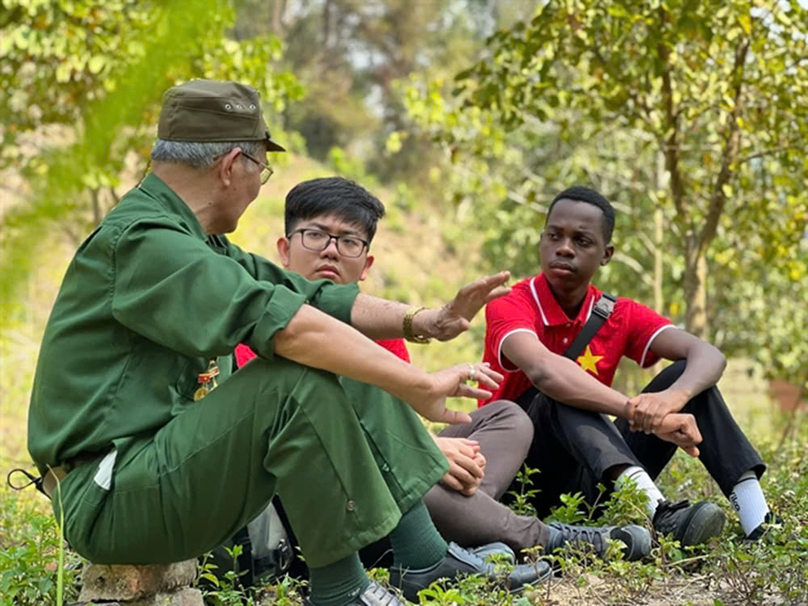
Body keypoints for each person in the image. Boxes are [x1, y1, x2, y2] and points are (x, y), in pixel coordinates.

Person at [26, 80, 548, 606]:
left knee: (329, 349)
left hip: (159, 471)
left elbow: (307, 298)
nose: (258, 185)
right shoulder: (145, 242)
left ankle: (423, 559)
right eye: (261, 168)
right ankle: (344, 591)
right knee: (297, 367)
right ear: (232, 165)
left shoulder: (191, 240)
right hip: (109, 497)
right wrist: (417, 384)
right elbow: (292, 327)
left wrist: (424, 320)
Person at [236, 176, 651, 563]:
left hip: (394, 474)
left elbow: (393, 425)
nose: (330, 250)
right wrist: (426, 452)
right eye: (315, 235)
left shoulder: (384, 332)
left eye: (349, 241)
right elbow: (291, 435)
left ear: (365, 265)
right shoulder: (261, 323)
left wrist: (425, 449)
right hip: (318, 494)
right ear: (285, 250)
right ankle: (542, 539)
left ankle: (462, 535)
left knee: (508, 416)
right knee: (409, 477)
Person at [480, 185, 773, 547]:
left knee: (687, 375)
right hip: (516, 480)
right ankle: (660, 513)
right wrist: (635, 409)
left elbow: (708, 354)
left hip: (591, 481)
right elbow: (545, 372)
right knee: (560, 386)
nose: (564, 248)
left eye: (581, 240)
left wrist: (671, 400)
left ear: (606, 254)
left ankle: (758, 520)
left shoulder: (617, 313)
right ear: (542, 240)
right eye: (554, 236)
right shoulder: (510, 303)